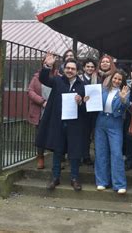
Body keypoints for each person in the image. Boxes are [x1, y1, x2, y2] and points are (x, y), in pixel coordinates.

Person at [36, 54, 86, 191]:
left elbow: (87, 106)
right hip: (58, 122)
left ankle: (75, 178)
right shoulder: (57, 81)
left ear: (77, 71)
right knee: (58, 151)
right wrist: (48, 66)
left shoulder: (82, 86)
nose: (70, 70)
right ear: (64, 69)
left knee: (74, 153)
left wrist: (81, 102)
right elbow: (43, 79)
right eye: (68, 68)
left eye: (73, 69)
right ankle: (55, 178)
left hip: (75, 124)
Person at [89, 70, 130, 194]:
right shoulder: (103, 90)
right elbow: (94, 104)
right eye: (115, 78)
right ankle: (102, 181)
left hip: (115, 123)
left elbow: (126, 106)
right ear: (111, 78)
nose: (116, 81)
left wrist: (123, 99)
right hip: (101, 122)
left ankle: (119, 184)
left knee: (116, 153)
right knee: (101, 152)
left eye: (119, 79)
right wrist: (88, 99)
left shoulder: (124, 92)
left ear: (122, 81)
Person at [27, 56, 55, 169]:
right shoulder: (36, 77)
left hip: (53, 109)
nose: (47, 64)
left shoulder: (57, 76)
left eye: (50, 62)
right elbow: (30, 91)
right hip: (40, 109)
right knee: (40, 134)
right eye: (45, 62)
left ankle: (56, 159)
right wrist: (42, 101)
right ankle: (40, 157)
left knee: (54, 134)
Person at [79, 58, 99, 166]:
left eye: (92, 67)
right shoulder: (79, 79)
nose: (90, 68)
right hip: (83, 111)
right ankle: (84, 156)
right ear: (84, 68)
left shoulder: (98, 80)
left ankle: (94, 158)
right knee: (84, 135)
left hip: (95, 112)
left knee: (94, 134)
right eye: (88, 66)